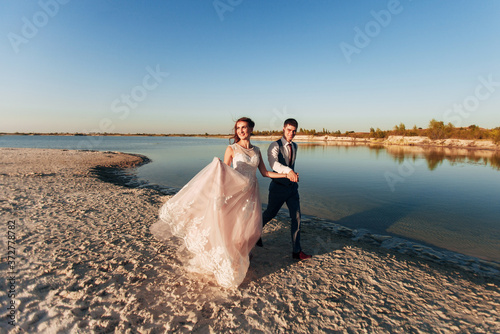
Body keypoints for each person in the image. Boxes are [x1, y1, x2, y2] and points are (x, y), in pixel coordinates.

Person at [150, 117, 296, 288]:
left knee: (250, 230)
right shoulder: (231, 148)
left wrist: (286, 175)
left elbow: (264, 173)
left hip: (251, 195)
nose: (241, 130)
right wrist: (218, 191)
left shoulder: (256, 150)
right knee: (233, 228)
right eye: (238, 128)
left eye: (244, 127)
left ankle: (240, 257)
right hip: (235, 193)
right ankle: (231, 262)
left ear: (251, 129)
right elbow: (224, 173)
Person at [258, 118, 312, 260]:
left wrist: (292, 176)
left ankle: (297, 251)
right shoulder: (274, 146)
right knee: (270, 214)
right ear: (283, 129)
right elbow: (273, 164)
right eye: (289, 130)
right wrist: (288, 172)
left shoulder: (295, 146)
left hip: (293, 189)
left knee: (297, 218)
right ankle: (256, 234)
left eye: (294, 131)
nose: (291, 134)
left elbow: (291, 164)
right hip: (278, 189)